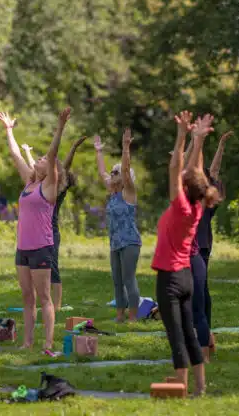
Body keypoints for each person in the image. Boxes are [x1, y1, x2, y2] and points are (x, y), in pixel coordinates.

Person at [152, 111, 222, 397]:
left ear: (185, 188)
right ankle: (200, 386)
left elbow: (175, 166)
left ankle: (180, 385)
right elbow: (190, 169)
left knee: (176, 335)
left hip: (169, 279)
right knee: (190, 332)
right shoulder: (196, 207)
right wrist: (198, 139)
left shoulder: (181, 206)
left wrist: (183, 136)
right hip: (186, 278)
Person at [0, 107, 71, 355]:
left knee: (44, 298)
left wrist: (60, 128)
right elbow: (16, 153)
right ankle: (27, 342)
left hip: (42, 248)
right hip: (23, 248)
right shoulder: (30, 183)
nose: (39, 159)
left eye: (42, 159)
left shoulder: (49, 187)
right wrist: (9, 130)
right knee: (27, 297)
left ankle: (48, 344)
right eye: (38, 159)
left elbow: (52, 155)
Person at [23, 138, 88, 311]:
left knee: (53, 268)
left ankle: (57, 306)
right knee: (36, 269)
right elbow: (35, 169)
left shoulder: (56, 188)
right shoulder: (42, 184)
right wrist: (28, 151)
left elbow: (64, 165)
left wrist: (73, 147)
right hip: (40, 231)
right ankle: (43, 303)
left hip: (50, 231)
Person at [190, 130, 231, 358]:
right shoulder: (196, 193)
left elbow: (212, 168)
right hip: (194, 246)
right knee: (200, 291)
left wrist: (216, 145)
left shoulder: (207, 198)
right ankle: (205, 334)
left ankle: (205, 334)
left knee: (201, 291)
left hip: (201, 246)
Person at [95, 129, 143, 323]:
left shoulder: (129, 192)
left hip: (130, 242)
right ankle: (120, 315)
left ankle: (133, 317)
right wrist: (98, 151)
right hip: (115, 243)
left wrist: (125, 148)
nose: (112, 174)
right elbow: (101, 172)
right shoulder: (113, 193)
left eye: (115, 172)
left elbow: (124, 169)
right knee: (117, 280)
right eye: (112, 172)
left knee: (128, 279)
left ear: (125, 177)